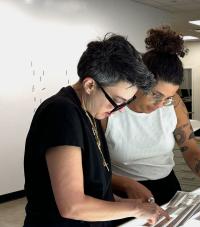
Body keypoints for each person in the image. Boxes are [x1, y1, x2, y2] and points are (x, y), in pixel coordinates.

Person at [23, 33, 169, 227]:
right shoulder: (62, 112)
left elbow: (95, 193)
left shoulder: (90, 112)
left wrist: (133, 204)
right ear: (90, 85)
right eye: (117, 101)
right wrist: (136, 209)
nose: (119, 110)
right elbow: (73, 206)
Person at [102, 26, 200, 206]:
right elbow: (93, 167)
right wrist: (126, 184)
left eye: (168, 97)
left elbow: (190, 148)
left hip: (167, 188)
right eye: (156, 95)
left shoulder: (174, 104)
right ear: (138, 81)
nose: (160, 105)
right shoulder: (109, 110)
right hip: (124, 193)